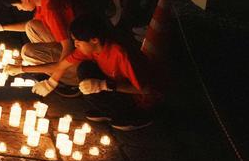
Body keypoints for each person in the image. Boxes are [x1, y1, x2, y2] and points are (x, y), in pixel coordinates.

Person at [29, 13, 159, 130]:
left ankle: (139, 117)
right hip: (116, 88)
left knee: (87, 72)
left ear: (94, 39)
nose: (75, 45)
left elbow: (147, 89)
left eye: (78, 41)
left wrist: (103, 85)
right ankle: (108, 111)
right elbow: (61, 65)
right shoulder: (91, 48)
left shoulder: (121, 54)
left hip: (140, 101)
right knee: (84, 68)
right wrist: (49, 82)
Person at [0, 0, 79, 92]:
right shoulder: (44, 0)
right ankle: (51, 68)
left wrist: (52, 81)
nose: (19, 9)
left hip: (80, 63)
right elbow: (31, 25)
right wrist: (0, 27)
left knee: (28, 52)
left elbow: (68, 46)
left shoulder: (51, 9)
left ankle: (69, 79)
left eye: (17, 6)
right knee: (32, 26)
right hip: (71, 46)